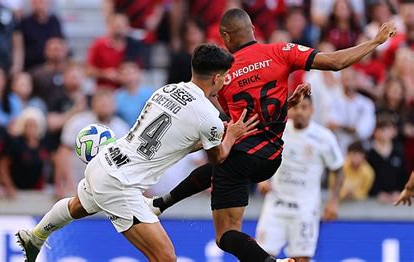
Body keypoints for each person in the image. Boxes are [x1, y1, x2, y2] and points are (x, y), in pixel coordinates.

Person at [149, 8, 396, 262]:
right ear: (253, 30)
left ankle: (161, 205)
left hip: (242, 157)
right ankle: (160, 204)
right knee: (218, 166)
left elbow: (242, 120)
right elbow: (335, 63)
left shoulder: (222, 77)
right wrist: (375, 41)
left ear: (225, 36)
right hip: (271, 159)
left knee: (225, 235)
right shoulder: (281, 51)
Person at [15, 44, 259, 261]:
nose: (226, 81)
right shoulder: (209, 117)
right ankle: (35, 238)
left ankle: (35, 237)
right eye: (225, 77)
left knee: (78, 206)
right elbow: (219, 158)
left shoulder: (165, 90)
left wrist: (214, 136)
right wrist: (233, 134)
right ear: (217, 78)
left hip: (106, 161)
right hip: (122, 184)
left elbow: (177, 141)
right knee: (165, 257)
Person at [256, 95, 344, 262]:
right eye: (296, 108)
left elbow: (338, 169)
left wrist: (333, 200)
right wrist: (263, 179)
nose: (299, 112)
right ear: (289, 110)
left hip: (305, 209)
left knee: (301, 258)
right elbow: (262, 156)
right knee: (261, 256)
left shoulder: (323, 137)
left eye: (304, 108)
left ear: (311, 110)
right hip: (276, 205)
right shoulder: (278, 131)